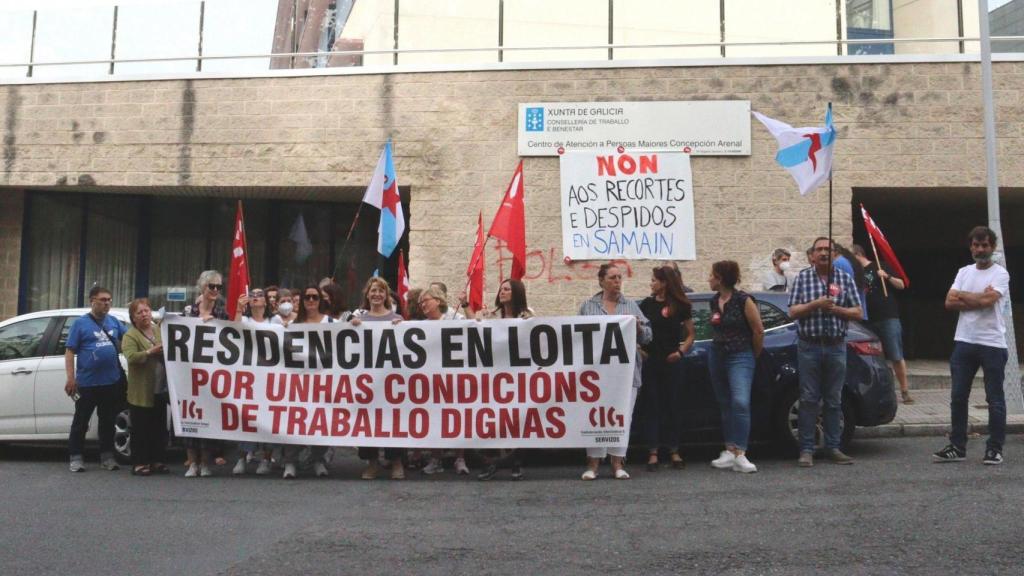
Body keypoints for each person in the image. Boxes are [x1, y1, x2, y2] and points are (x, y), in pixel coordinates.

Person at [933, 226, 1011, 466]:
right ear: (971, 247)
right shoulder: (964, 271)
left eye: (985, 245)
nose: (980, 249)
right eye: (976, 245)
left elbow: (989, 300)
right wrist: (977, 299)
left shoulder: (1001, 274)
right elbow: (949, 302)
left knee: (994, 399)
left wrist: (963, 296)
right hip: (964, 342)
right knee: (958, 397)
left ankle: (994, 449)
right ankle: (957, 446)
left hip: (992, 344)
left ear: (992, 246)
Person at [788, 238, 862, 468]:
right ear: (811, 255)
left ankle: (833, 447)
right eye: (819, 250)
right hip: (809, 345)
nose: (823, 253)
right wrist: (816, 304)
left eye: (827, 250)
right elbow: (792, 311)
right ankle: (807, 449)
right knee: (809, 398)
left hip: (835, 345)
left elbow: (858, 312)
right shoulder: (802, 278)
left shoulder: (844, 278)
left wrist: (837, 309)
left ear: (835, 254)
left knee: (833, 399)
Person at [578, 263, 652, 480]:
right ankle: (592, 464)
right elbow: (577, 337)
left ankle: (617, 462)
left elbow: (648, 336)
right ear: (601, 281)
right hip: (596, 373)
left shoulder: (631, 306)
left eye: (620, 277)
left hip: (626, 373)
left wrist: (638, 328)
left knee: (622, 416)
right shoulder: (588, 306)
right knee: (595, 415)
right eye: (612, 278)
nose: (617, 281)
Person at [707, 261, 765, 474]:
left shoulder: (744, 300)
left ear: (720, 278)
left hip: (740, 355)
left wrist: (751, 355)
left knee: (740, 402)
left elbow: (758, 331)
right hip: (717, 354)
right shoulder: (714, 300)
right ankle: (729, 449)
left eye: (712, 275)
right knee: (725, 403)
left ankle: (741, 452)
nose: (709, 279)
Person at [65, 286, 129, 473]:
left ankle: (107, 456)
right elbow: (69, 351)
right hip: (87, 383)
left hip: (110, 382)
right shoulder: (80, 324)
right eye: (102, 300)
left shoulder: (114, 322)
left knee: (108, 421)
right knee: (81, 421)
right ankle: (76, 457)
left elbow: (130, 339)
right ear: (92, 301)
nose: (107, 303)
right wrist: (70, 378)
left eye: (109, 299)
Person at [637, 266, 694, 471]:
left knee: (672, 405)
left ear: (664, 283)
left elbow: (690, 334)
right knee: (651, 405)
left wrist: (680, 352)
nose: (651, 283)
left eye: (654, 280)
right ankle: (652, 452)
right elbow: (637, 330)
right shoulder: (646, 304)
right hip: (651, 361)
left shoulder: (680, 304)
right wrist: (640, 350)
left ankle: (674, 450)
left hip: (672, 362)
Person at [350, 277, 407, 480]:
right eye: (373, 291)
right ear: (367, 294)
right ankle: (372, 463)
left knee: (393, 420)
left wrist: (401, 327)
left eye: (381, 291)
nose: (377, 295)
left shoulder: (397, 318)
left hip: (390, 381)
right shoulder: (359, 320)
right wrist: (352, 327)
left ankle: (396, 462)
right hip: (367, 382)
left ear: (386, 295)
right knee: (368, 421)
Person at [476, 279, 533, 481]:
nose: (502, 292)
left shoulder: (528, 316)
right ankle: (490, 463)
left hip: (519, 377)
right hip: (494, 377)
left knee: (517, 419)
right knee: (492, 419)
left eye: (507, 289)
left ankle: (516, 463)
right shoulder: (491, 316)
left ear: (516, 293)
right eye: (501, 288)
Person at [278, 285, 336, 479]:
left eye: (315, 297)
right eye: (307, 297)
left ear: (321, 301)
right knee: (293, 420)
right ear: (301, 301)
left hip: (323, 381)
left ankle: (318, 459)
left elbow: (353, 332)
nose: (311, 301)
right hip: (298, 382)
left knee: (321, 419)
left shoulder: (330, 322)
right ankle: (290, 461)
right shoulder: (293, 323)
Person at [417, 285, 470, 475]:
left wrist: (466, 305)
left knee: (457, 418)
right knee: (435, 418)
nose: (422, 304)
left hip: (455, 378)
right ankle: (436, 458)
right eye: (420, 302)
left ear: (438, 301)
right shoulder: (420, 326)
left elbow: (474, 326)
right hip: (432, 381)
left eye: (426, 300)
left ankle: (460, 458)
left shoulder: (455, 319)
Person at [181, 270, 229, 477]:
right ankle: (193, 462)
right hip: (190, 372)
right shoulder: (189, 311)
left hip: (213, 374)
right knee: (190, 415)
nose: (215, 291)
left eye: (219, 287)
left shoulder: (222, 314)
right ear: (202, 287)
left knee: (209, 415)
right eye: (212, 286)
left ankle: (206, 462)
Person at [852, 245, 913, 404]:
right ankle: (882, 392)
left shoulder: (881, 265)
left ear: (858, 254)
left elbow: (901, 284)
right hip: (867, 319)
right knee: (874, 358)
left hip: (887, 316)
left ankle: (905, 390)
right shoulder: (856, 274)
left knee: (896, 354)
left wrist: (886, 276)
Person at [121, 298, 169, 476]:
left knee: (158, 427)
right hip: (141, 391)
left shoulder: (158, 329)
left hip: (160, 387)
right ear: (133, 317)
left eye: (146, 311)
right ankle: (140, 462)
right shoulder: (130, 335)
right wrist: (150, 352)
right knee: (141, 428)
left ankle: (158, 460)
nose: (144, 315)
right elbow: (131, 357)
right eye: (139, 312)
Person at [233, 288, 274, 475]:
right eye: (253, 295)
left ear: (266, 301)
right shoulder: (246, 321)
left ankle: (265, 459)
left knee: (269, 417)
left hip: (270, 378)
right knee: (246, 418)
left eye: (259, 295)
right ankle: (242, 457)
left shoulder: (275, 321)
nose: (256, 298)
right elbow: (233, 332)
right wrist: (239, 311)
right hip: (249, 377)